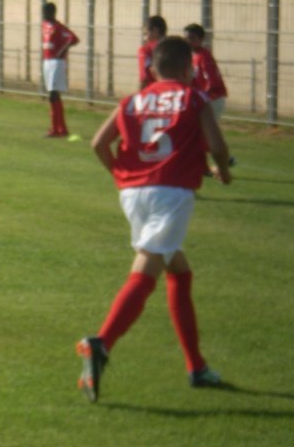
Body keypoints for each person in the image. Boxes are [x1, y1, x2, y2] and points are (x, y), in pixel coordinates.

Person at [77, 36, 232, 404]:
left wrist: (120, 176)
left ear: (152, 69)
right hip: (171, 193)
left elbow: (98, 143)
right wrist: (222, 171)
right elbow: (219, 147)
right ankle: (101, 343)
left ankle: (196, 366)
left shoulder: (132, 100)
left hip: (132, 194)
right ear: (187, 69)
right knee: (146, 268)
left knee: (179, 271)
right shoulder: (195, 97)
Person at [41, 2, 79, 138]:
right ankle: (61, 129)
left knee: (52, 94)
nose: (43, 15)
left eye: (45, 13)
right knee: (54, 95)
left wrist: (61, 51)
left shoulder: (59, 27)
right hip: (47, 62)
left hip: (57, 62)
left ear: (51, 13)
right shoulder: (44, 26)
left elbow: (74, 39)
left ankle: (56, 129)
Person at [183, 23, 228, 120]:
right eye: (186, 38)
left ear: (201, 39)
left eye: (191, 38)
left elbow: (212, 82)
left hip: (214, 98)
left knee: (206, 129)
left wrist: (202, 99)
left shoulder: (203, 56)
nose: (188, 41)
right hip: (205, 99)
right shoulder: (192, 56)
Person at [138, 15, 167, 89]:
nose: (144, 39)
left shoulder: (146, 50)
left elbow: (144, 77)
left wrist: (139, 97)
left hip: (153, 92)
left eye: (146, 34)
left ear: (155, 31)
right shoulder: (177, 47)